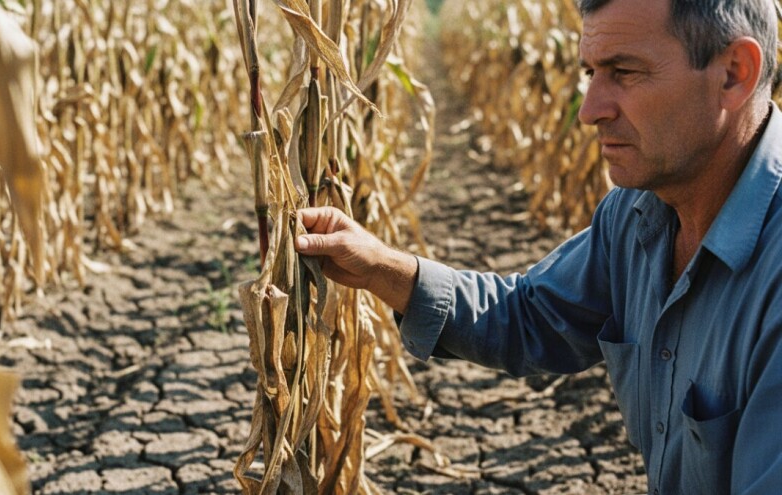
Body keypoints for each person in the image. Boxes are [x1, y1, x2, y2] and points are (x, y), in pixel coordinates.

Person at [293, 0, 782, 493]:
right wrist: (382, 268)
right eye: (591, 71)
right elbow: (535, 316)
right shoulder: (637, 214)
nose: (590, 110)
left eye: (625, 72)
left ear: (734, 74)